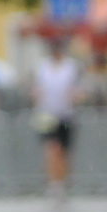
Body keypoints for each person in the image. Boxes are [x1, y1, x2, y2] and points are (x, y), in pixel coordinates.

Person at [33, 38, 80, 202]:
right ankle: (54, 183)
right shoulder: (43, 68)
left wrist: (75, 95)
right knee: (52, 148)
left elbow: (78, 88)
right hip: (47, 114)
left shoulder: (70, 67)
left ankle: (62, 181)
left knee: (64, 152)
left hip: (66, 114)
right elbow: (36, 88)